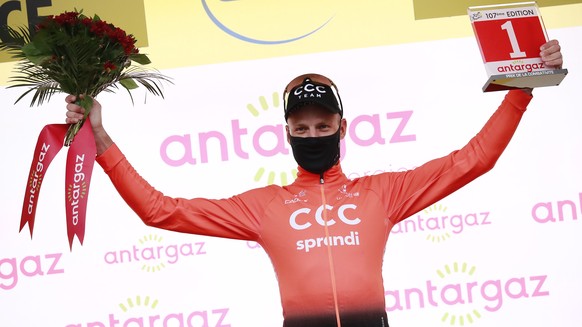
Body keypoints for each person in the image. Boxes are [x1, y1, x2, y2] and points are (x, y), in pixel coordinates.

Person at [65, 40, 564, 327]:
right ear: (286, 133)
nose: (313, 135)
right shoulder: (264, 207)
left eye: (323, 126)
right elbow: (160, 210)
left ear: (343, 128)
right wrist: (101, 137)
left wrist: (523, 87)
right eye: (301, 128)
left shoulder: (381, 194)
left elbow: (474, 160)